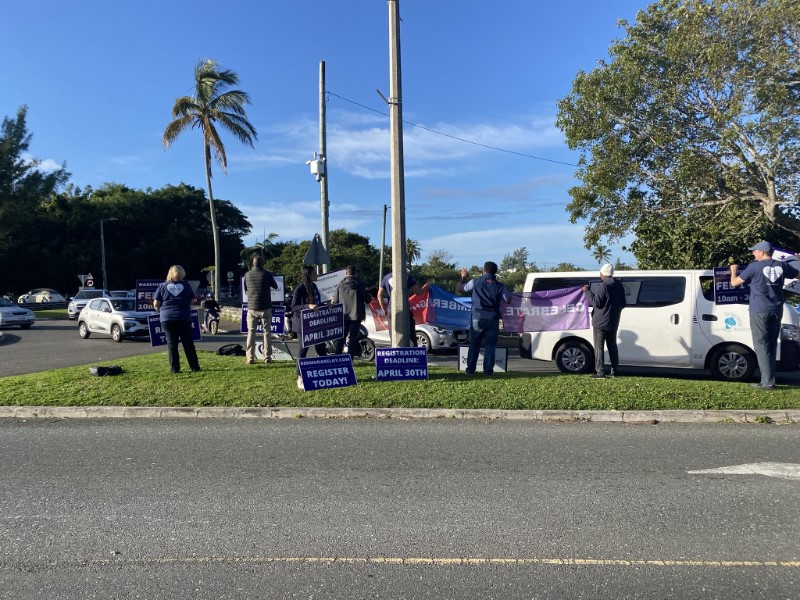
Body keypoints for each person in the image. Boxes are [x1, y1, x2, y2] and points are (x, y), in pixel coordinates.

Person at [730, 241, 799, 390]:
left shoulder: (754, 267)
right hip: (777, 309)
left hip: (759, 310)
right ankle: (769, 379)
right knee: (772, 345)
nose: (753, 253)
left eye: (754, 251)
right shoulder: (782, 265)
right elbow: (798, 274)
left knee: (761, 345)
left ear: (762, 252)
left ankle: (767, 382)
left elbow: (734, 283)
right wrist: (797, 260)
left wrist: (733, 271)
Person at [457, 261, 511, 375]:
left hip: (477, 317)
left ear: (484, 270)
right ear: (495, 272)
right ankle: (488, 371)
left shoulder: (475, 282)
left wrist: (463, 278)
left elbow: (460, 289)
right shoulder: (500, 286)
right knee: (490, 346)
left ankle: (470, 370)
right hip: (493, 319)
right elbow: (508, 299)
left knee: (474, 344)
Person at [152, 265, 201, 374]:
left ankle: (175, 369)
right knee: (188, 343)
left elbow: (156, 303)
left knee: (172, 344)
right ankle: (195, 367)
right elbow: (192, 300)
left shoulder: (162, 286)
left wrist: (159, 309)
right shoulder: (186, 285)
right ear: (182, 273)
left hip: (167, 318)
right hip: (183, 317)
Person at [582, 263, 626, 379]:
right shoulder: (619, 285)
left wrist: (587, 291)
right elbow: (623, 303)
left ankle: (600, 372)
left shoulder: (604, 286)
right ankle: (615, 371)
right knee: (612, 346)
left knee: (599, 347)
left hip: (600, 322)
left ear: (603, 274)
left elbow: (597, 303)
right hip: (613, 321)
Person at [292, 266, 328, 388]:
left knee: (321, 349)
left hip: (316, 323)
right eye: (314, 273)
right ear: (308, 275)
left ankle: (326, 372)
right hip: (303, 325)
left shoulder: (315, 286)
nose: (316, 275)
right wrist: (308, 306)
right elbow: (294, 307)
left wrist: (327, 305)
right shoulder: (300, 288)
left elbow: (317, 304)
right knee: (303, 350)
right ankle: (299, 377)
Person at [244, 255, 279, 365]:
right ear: (262, 263)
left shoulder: (247, 275)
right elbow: (275, 286)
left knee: (251, 332)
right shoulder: (267, 274)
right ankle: (267, 357)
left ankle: (250, 358)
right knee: (267, 332)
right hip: (265, 307)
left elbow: (245, 289)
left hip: (252, 308)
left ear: (253, 263)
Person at [332, 265, 372, 358]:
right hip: (356, 315)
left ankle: (337, 357)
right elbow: (367, 299)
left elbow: (335, 301)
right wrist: (369, 295)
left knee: (341, 337)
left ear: (346, 273)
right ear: (355, 273)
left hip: (343, 315)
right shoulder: (359, 284)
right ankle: (350, 358)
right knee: (353, 338)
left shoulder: (340, 284)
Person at [377, 270, 424, 345]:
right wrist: (427, 286)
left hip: (391, 310)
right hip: (405, 309)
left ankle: (395, 351)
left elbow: (379, 295)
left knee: (393, 335)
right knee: (411, 335)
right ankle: (413, 351)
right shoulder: (407, 276)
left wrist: (384, 310)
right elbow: (418, 292)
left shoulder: (386, 277)